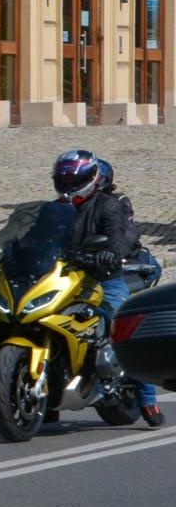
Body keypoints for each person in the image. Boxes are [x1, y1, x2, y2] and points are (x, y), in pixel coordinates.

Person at [55, 150, 159, 427]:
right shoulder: (55, 209)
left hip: (103, 277)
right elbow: (36, 236)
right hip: (68, 277)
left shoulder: (110, 205)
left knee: (121, 325)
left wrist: (110, 254)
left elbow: (120, 238)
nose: (68, 185)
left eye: (74, 180)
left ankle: (147, 399)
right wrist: (14, 251)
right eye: (64, 180)